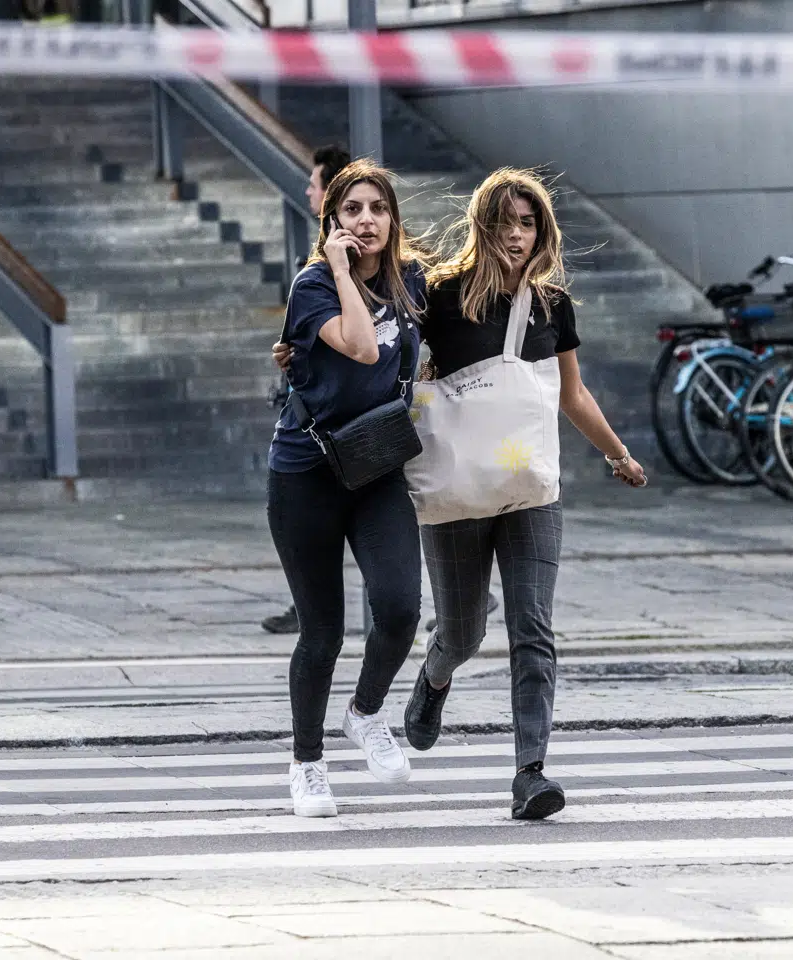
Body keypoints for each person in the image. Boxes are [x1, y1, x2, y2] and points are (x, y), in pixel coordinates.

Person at [400, 169, 647, 821]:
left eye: (527, 222)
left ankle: (530, 771)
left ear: (542, 231)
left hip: (531, 487)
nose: (515, 234)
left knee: (532, 625)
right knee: (462, 631)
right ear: (483, 225)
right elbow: (395, 366)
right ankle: (435, 675)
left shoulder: (551, 304)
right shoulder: (441, 297)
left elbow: (572, 394)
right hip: (457, 489)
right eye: (505, 222)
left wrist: (617, 454)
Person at [268, 159, 428, 818]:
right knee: (322, 633)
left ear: (393, 219)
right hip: (306, 473)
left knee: (399, 609)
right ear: (333, 222)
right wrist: (339, 268)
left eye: (377, 209)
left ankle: (364, 713)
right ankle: (307, 763)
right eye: (352, 210)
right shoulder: (313, 286)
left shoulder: (414, 282)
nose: (366, 220)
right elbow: (363, 347)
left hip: (376, 467)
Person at [262, 144, 356, 637]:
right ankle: (309, 605)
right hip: (314, 418)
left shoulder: (362, 265)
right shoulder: (317, 266)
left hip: (354, 421)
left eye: (315, 183)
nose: (307, 191)